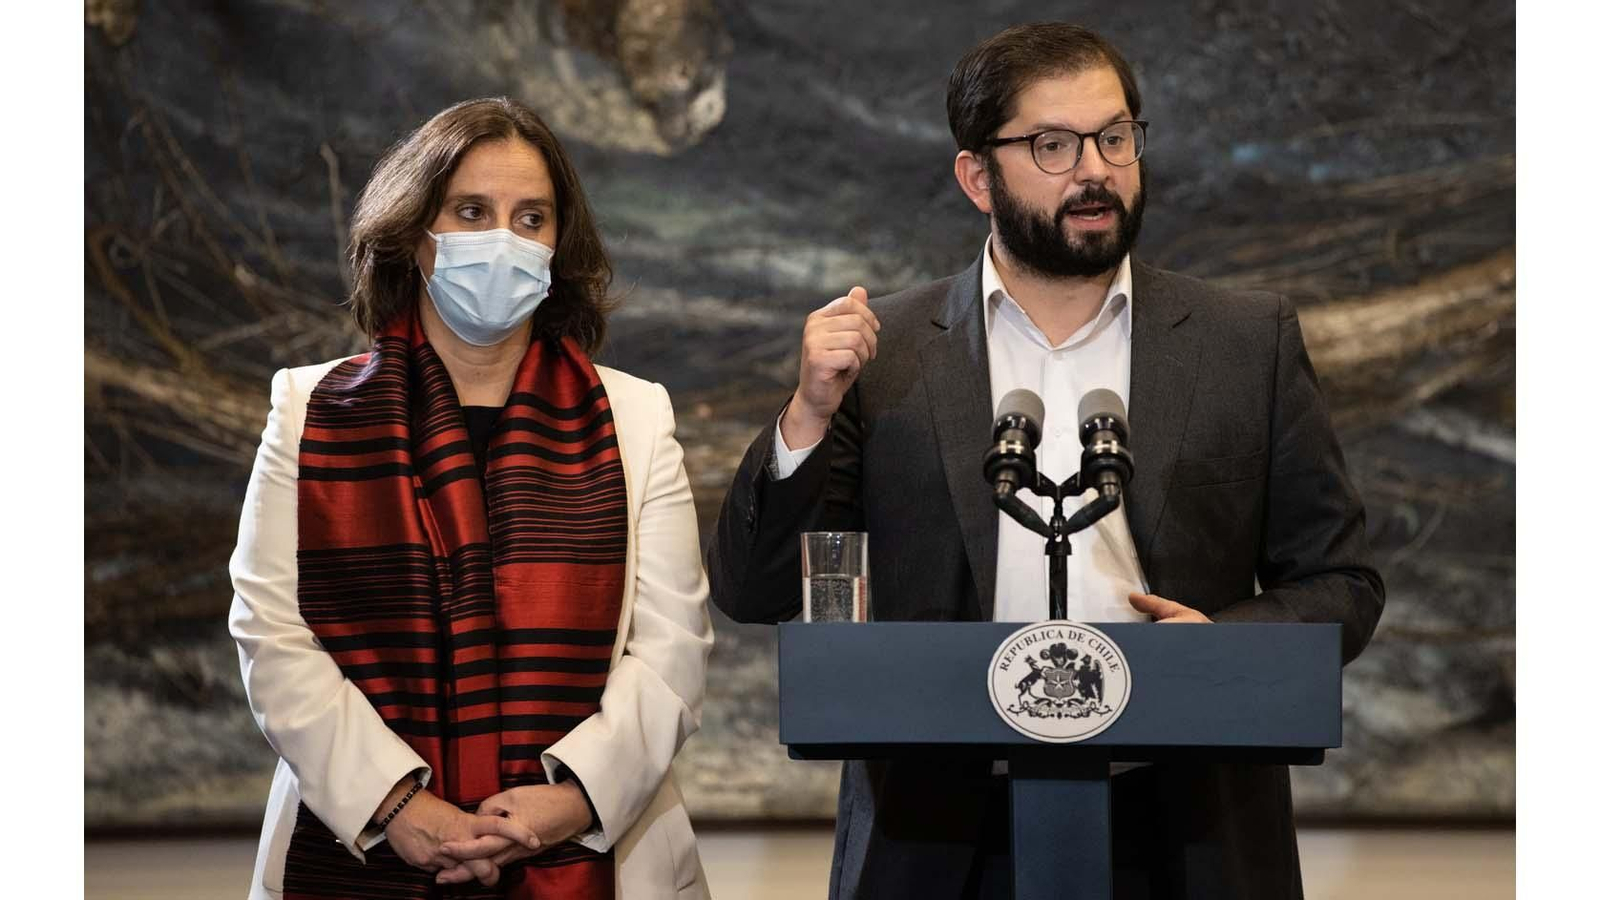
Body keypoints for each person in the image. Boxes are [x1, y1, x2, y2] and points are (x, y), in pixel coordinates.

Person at [707, 22, 1383, 900]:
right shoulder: (888, 352)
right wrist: (806, 414)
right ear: (977, 177)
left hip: (1187, 828)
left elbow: (1342, 583)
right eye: (1053, 146)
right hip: (939, 842)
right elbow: (755, 591)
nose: (1095, 170)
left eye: (1115, 137)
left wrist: (1220, 651)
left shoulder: (1245, 341)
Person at [229, 97, 714, 899]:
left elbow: (672, 652)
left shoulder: (635, 415)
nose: (503, 240)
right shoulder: (308, 409)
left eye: (531, 218)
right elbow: (272, 635)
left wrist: (568, 802)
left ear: (558, 243)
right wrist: (399, 806)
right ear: (415, 232)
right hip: (364, 849)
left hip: (591, 849)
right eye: (472, 212)